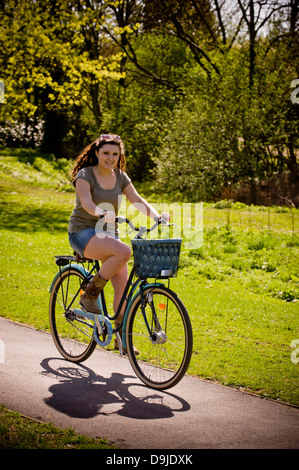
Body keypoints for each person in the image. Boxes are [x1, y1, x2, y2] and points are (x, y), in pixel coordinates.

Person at [68, 134, 169, 350]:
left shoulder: (120, 176)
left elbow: (137, 200)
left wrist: (157, 216)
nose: (110, 157)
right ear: (96, 153)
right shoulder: (85, 175)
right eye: (106, 153)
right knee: (124, 252)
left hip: (107, 233)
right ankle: (90, 294)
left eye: (115, 154)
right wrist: (101, 211)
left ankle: (121, 339)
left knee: (122, 287)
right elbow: (86, 202)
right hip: (82, 232)